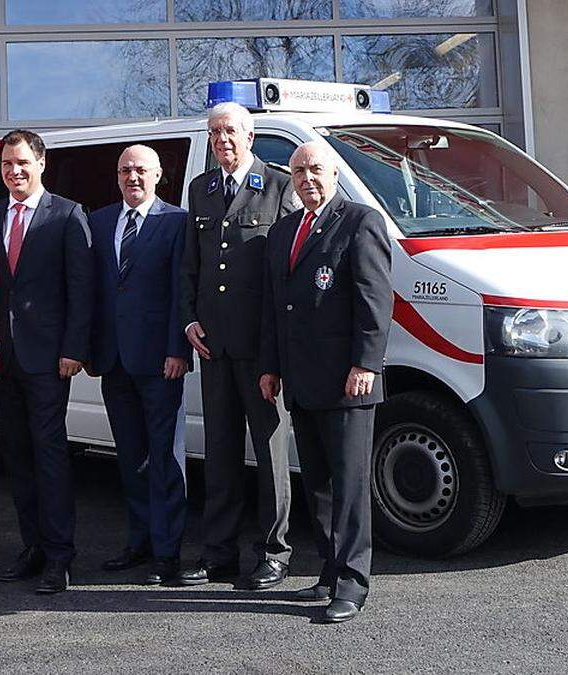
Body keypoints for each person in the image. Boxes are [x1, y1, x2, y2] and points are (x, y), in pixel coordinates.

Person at [258, 141, 392, 624]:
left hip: (346, 381)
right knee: (318, 485)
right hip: (300, 378)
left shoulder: (360, 221)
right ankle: (331, 572)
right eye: (298, 171)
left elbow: (374, 303)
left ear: (334, 174)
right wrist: (269, 367)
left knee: (351, 486)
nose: (306, 178)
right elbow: (277, 307)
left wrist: (366, 365)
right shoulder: (284, 231)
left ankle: (354, 584)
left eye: (316, 169)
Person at [178, 102, 300, 589]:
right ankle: (218, 552)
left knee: (270, 453)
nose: (221, 140)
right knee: (221, 451)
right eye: (214, 133)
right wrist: (188, 319)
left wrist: (277, 346)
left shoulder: (278, 185)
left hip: (259, 347)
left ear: (250, 136)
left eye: (230, 131)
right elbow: (191, 265)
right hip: (214, 346)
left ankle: (274, 551)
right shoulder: (201, 189)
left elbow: (285, 273)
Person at [0, 129, 93, 595]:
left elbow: (81, 288)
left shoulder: (67, 214)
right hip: (2, 359)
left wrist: (73, 348)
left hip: (48, 359)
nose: (14, 171)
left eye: (22, 162)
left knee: (50, 455)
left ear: (41, 163)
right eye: (6, 164)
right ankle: (33, 547)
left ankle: (60, 556)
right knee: (16, 457)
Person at [87, 145, 191, 585]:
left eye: (141, 171)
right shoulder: (100, 221)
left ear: (158, 176)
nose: (133, 177)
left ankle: (166, 552)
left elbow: (181, 291)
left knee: (164, 458)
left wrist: (177, 350)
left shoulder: (176, 222)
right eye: (126, 170)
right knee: (130, 457)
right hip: (115, 361)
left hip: (158, 360)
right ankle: (139, 541)